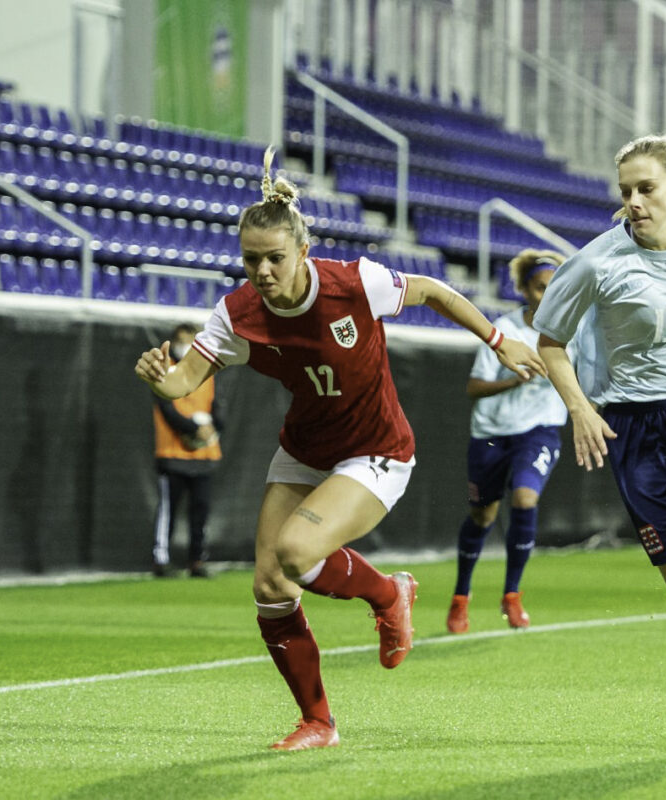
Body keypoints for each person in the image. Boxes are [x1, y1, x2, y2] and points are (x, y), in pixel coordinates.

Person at [135, 147, 547, 751]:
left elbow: (431, 290)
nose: (263, 271)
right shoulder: (237, 312)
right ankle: (318, 723)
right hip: (305, 449)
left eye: (275, 258)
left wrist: (497, 337)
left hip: (376, 448)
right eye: (251, 260)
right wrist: (159, 375)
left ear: (302, 252)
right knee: (271, 588)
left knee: (296, 552)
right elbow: (183, 381)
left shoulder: (354, 282)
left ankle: (387, 592)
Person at [533, 134, 666, 592]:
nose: (633, 202)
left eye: (646, 189)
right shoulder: (595, 264)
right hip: (638, 428)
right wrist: (580, 409)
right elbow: (550, 341)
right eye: (625, 192)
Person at [446, 249, 572, 634]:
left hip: (540, 430)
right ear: (524, 290)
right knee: (482, 516)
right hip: (492, 435)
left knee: (524, 497)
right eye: (538, 288)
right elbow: (473, 388)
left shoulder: (570, 331)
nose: (546, 295)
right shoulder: (504, 329)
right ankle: (461, 596)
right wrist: (512, 379)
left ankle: (512, 595)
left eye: (553, 288)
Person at [151, 323, 223, 578]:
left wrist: (212, 428)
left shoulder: (206, 371)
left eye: (192, 340)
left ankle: (197, 561)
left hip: (204, 455)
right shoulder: (164, 369)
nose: (187, 346)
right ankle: (161, 559)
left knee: (200, 511)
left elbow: (217, 408)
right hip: (172, 453)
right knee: (168, 510)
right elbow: (167, 409)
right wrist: (193, 428)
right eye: (183, 340)